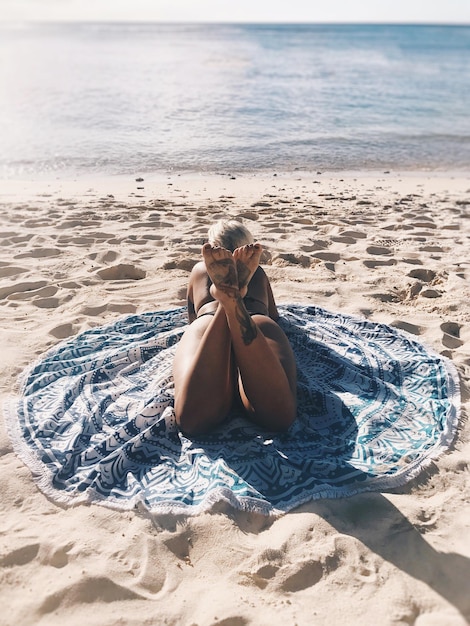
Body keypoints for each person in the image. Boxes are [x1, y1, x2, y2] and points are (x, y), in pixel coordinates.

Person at [172, 220, 297, 436]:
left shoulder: (200, 270)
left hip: (207, 323)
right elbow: (275, 316)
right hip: (255, 320)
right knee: (280, 417)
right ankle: (233, 300)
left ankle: (226, 301)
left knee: (192, 420)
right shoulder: (257, 271)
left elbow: (191, 319)